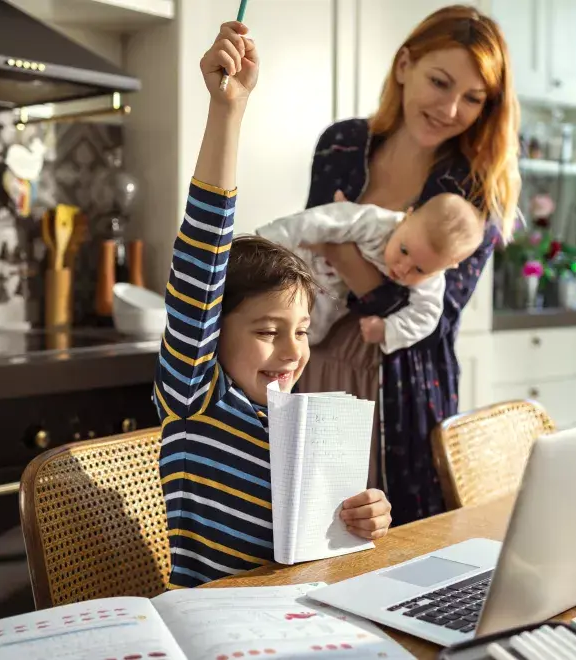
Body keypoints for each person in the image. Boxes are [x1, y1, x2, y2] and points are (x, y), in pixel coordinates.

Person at [153, 21, 392, 589]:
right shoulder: (197, 398)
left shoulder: (297, 420)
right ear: (210, 332)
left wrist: (366, 516)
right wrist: (228, 110)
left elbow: (328, 551)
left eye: (302, 330)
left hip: (301, 617)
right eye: (267, 331)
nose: (291, 351)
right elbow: (202, 253)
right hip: (215, 622)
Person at [298, 5, 522, 525]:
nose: (450, 109)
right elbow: (308, 261)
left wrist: (343, 253)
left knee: (402, 544)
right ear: (404, 66)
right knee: (311, 533)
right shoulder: (341, 143)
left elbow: (426, 315)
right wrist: (344, 262)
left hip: (405, 386)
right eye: (440, 83)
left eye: (473, 99)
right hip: (315, 363)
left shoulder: (474, 186)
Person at [256, 191, 484, 353]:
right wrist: (270, 240)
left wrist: (388, 329)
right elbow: (321, 220)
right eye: (404, 250)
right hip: (307, 258)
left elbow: (426, 315)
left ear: (445, 268)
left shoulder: (433, 279)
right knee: (267, 286)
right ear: (406, 216)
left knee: (309, 332)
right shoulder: (376, 222)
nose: (403, 268)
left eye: (420, 269)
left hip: (332, 292)